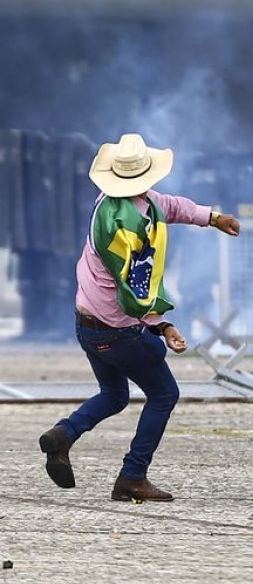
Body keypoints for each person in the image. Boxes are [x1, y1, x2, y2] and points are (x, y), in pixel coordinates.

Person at [38, 133, 241, 502]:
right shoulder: (123, 230)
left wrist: (211, 217)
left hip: (87, 324)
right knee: (164, 393)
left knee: (114, 395)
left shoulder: (117, 201)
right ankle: (132, 476)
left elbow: (172, 206)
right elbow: (135, 291)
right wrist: (163, 326)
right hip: (116, 329)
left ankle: (63, 435)